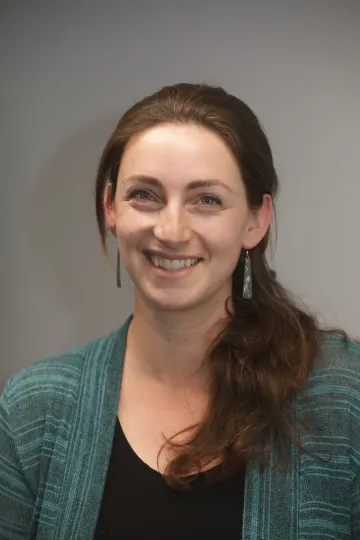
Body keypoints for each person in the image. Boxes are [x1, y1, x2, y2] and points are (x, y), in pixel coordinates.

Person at [1, 83, 359, 540]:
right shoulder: (35, 409)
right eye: (144, 195)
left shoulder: (345, 394)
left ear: (255, 220)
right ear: (111, 208)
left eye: (206, 199)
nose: (171, 230)